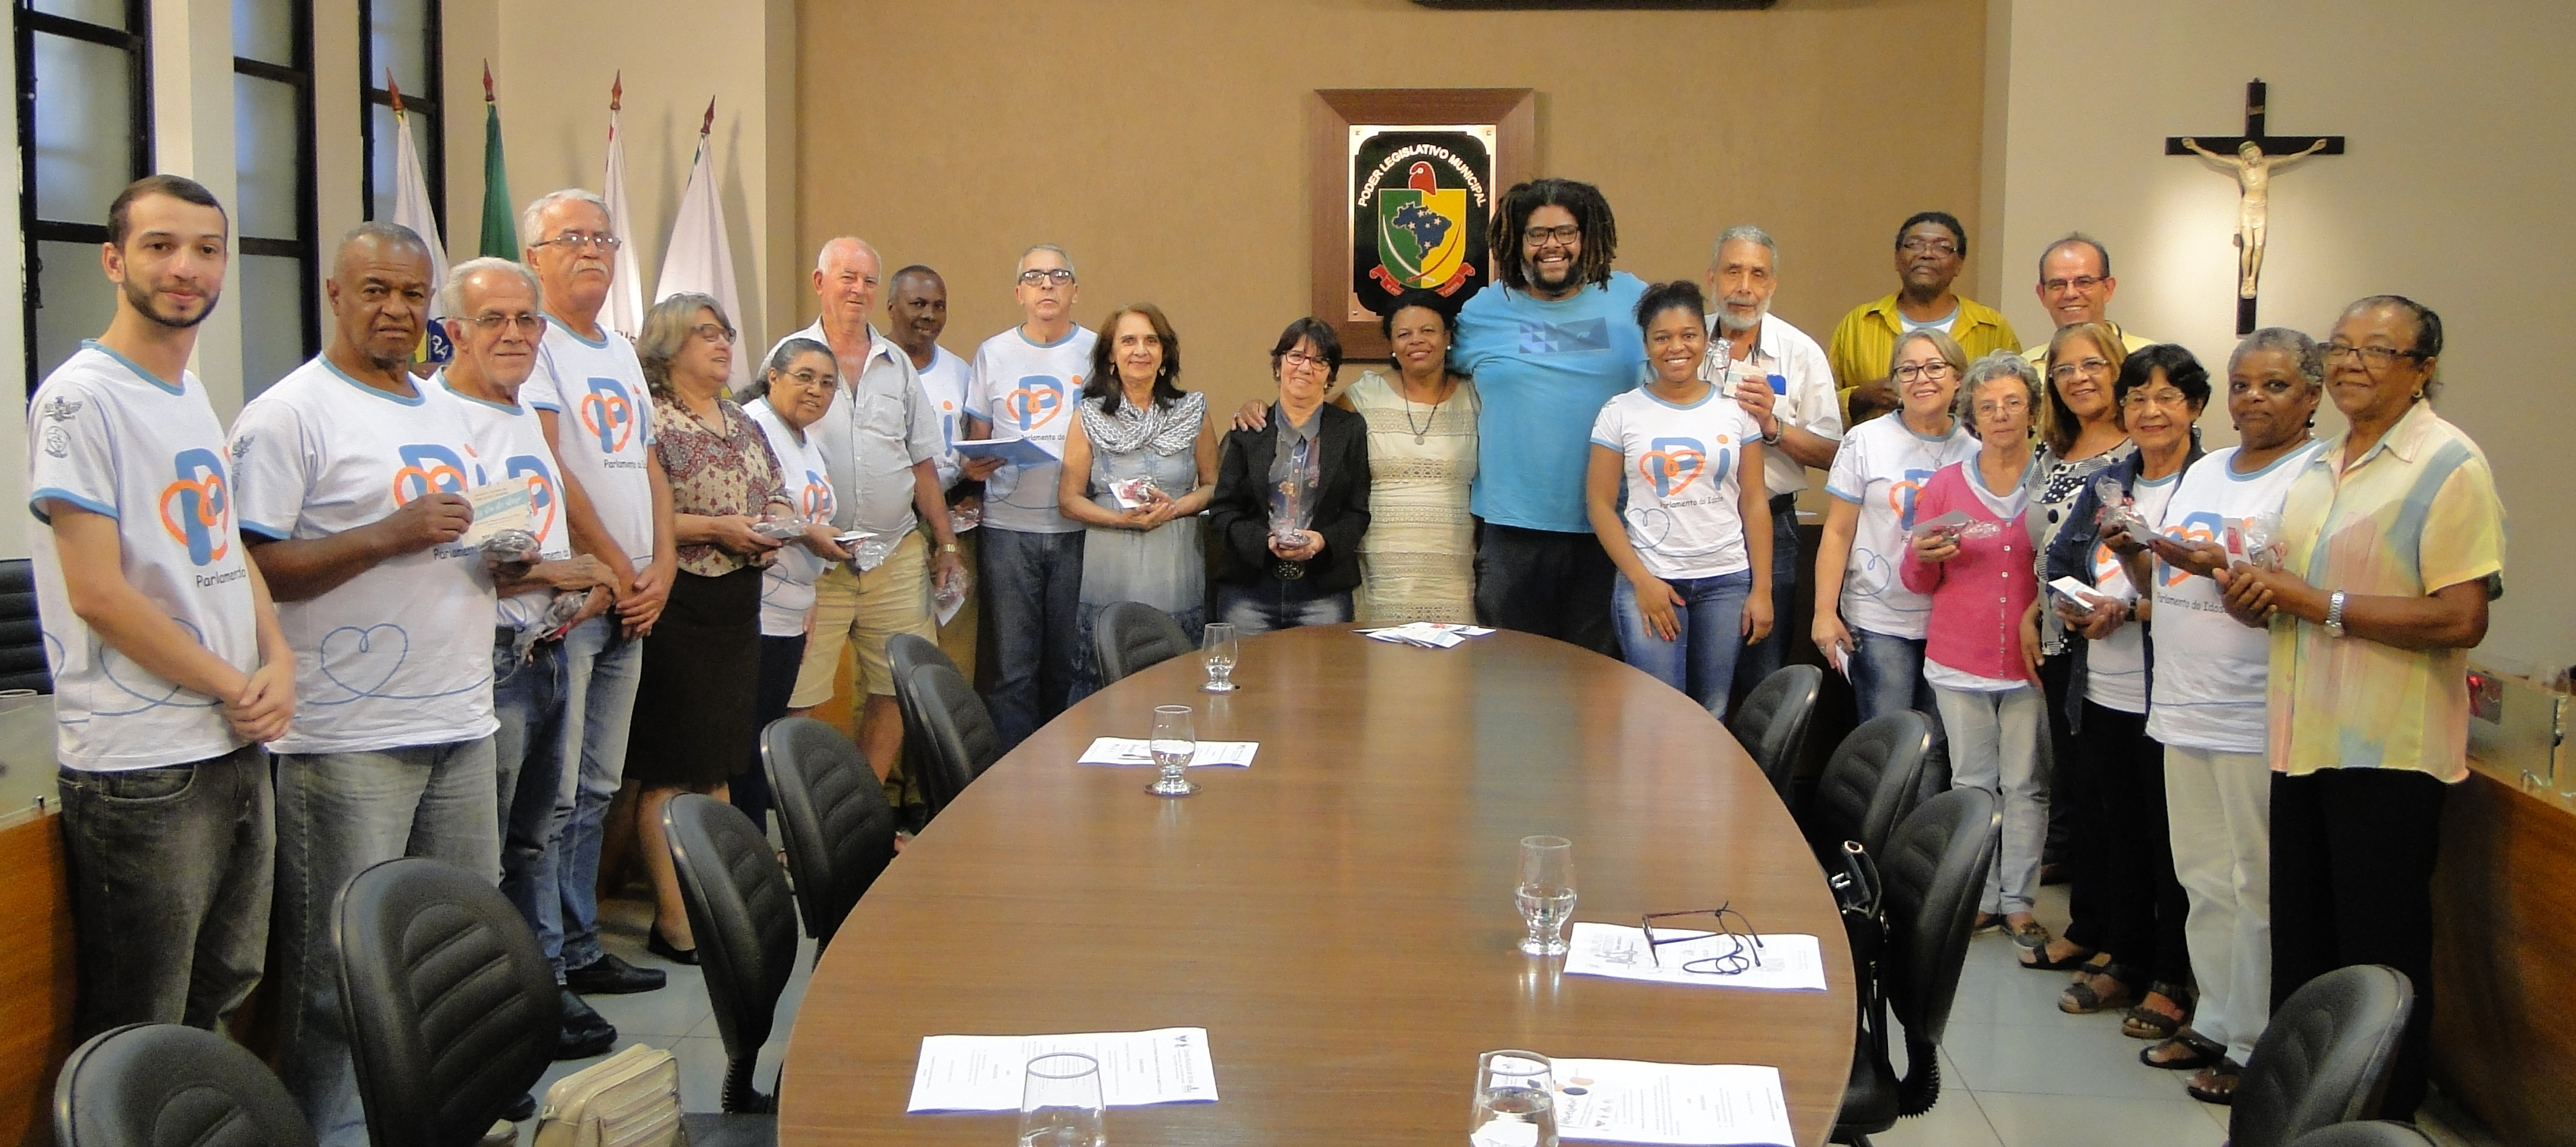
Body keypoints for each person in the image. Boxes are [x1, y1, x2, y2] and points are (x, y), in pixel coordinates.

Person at [231, 222, 500, 1145]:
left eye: (413, 295)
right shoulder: (287, 414)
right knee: (335, 974)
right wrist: (390, 534)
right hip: (347, 735)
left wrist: (507, 553)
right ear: (336, 296)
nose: (396, 310)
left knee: (450, 951)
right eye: (375, 291)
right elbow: (255, 568)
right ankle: (327, 1132)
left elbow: (447, 538)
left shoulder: (442, 407)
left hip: (461, 715)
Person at [2219, 295, 2504, 1121]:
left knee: (2379, 955)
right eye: (2340, 347)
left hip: (2387, 748)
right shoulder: (2317, 464)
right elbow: (2293, 594)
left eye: (2376, 351)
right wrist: (2254, 597)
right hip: (2300, 735)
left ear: (2422, 371)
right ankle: (2300, 1116)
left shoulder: (2450, 465)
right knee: (2304, 949)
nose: (2349, 363)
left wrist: (2316, 604)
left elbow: (2462, 617)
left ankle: (2381, 1118)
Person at [32, 175, 294, 1042]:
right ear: (115, 260)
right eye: (159, 246)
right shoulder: (80, 398)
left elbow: (223, 552)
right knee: (140, 1023)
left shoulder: (188, 390)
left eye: (207, 249)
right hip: (143, 764)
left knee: (224, 984)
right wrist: (233, 683)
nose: (186, 268)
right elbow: (98, 593)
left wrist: (276, 659)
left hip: (231, 739)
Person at [432, 256, 623, 1057]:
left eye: (526, 321)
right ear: (453, 333)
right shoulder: (441, 418)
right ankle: (502, 1016)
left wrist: (588, 582)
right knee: (489, 851)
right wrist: (572, 571)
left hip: (548, 646)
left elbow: (535, 534)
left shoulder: (519, 418)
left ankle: (545, 990)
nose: (514, 335)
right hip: (490, 660)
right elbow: (484, 552)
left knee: (539, 833)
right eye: (494, 321)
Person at [2131, 328, 2326, 1102]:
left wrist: (2226, 570)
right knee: (2202, 875)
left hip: (2255, 704)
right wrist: (2139, 550)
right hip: (2182, 696)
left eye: (2274, 386)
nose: (2253, 398)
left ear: (2311, 396)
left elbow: (2295, 581)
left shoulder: (2315, 474)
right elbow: (2172, 567)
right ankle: (2214, 1015)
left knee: (2256, 881)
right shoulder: (2208, 467)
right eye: (2243, 384)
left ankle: (2256, 1041)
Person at [519, 187, 676, 1001]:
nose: (591, 250)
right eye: (570, 238)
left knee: (599, 786)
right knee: (555, 794)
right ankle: (546, 964)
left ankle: (581, 943)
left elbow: (647, 464)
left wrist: (664, 565)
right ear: (534, 257)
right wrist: (616, 564)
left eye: (602, 238)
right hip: (579, 603)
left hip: (635, 597)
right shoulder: (534, 344)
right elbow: (553, 466)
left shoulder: (617, 348)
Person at [628, 294, 803, 963]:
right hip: (680, 602)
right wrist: (719, 529)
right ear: (669, 347)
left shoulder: (740, 418)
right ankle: (673, 919)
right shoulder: (654, 420)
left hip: (739, 601)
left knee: (723, 761)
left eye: (726, 331)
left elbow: (775, 492)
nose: (724, 343)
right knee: (675, 766)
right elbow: (644, 515)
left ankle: (715, 898)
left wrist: (773, 527)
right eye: (706, 333)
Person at [2043, 344, 2207, 1042]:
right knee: (2114, 829)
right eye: (2138, 397)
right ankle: (2124, 954)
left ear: (2196, 408)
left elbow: (2204, 586)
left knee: (2169, 839)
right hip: (2101, 682)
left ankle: (2173, 976)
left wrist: (2131, 611)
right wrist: (2073, 604)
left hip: (2170, 690)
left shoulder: (2209, 485)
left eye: (2167, 397)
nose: (2150, 411)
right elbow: (2062, 555)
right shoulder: (2112, 479)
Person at [772, 238, 966, 811]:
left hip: (895, 552)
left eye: (867, 281)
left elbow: (923, 461)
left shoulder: (896, 363)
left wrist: (947, 542)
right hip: (815, 561)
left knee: (898, 688)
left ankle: (858, 812)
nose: (857, 290)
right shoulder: (790, 357)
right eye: (847, 277)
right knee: (800, 699)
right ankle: (804, 820)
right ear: (820, 281)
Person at [1449, 178, 1648, 655]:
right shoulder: (1483, 310)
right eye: (1537, 234)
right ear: (1516, 241)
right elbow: (1423, 376)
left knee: (1595, 686)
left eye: (1566, 232)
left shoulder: (1634, 300)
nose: (1552, 246)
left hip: (1608, 527)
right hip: (1512, 528)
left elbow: (1683, 370)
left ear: (1588, 237)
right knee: (1508, 679)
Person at [1901, 352, 2047, 947]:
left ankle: (2019, 900)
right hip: (1959, 658)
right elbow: (1916, 579)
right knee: (1972, 781)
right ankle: (1978, 895)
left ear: (2034, 411)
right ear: (1972, 418)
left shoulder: (2053, 479)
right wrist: (1923, 557)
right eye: (1987, 406)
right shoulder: (1945, 485)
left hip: (2029, 662)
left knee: (2027, 783)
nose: (2001, 415)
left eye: (2013, 403)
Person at [1586, 281, 1773, 718]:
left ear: (1705, 340)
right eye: (1662, 337)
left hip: (1726, 581)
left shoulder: (1735, 410)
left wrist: (1761, 590)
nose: (1677, 347)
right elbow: (1599, 503)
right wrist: (1641, 580)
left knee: (1713, 710)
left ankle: (1702, 791)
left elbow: (1755, 502)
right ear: (1647, 344)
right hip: (1650, 579)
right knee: (1657, 711)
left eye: (1688, 335)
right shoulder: (1620, 412)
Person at [2022, 320, 2136, 974]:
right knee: (2078, 788)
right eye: (2064, 371)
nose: (2079, 379)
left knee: (2115, 797)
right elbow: (2038, 544)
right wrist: (2033, 612)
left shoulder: (2139, 450)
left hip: (2116, 639)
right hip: (2059, 634)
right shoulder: (2051, 450)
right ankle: (2088, 922)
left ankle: (2123, 938)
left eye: (2092, 365)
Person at [1814, 332, 1977, 760]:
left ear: (1958, 378)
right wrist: (1824, 613)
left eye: (1935, 367)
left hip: (1950, 622)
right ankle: (1876, 832)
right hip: (1878, 616)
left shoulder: (1977, 449)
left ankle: (1927, 830)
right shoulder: (1865, 440)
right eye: (1908, 369)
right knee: (1886, 747)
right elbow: (1836, 531)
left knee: (1939, 747)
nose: (1922, 378)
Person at [1698, 226, 1842, 698]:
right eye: (1732, 271)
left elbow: (1833, 454)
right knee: (1696, 675)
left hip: (1773, 528)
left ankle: (1760, 771)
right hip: (1691, 523)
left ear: (1772, 285)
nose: (1743, 287)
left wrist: (1772, 426)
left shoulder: (1801, 353)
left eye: (1757, 274)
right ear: (1711, 278)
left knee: (1762, 673)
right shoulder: (1682, 342)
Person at [966, 244, 1097, 748]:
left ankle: (1065, 779)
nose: (1047, 285)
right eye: (1035, 277)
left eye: (1059, 275)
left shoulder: (1098, 349)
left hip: (1078, 528)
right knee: (1009, 670)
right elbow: (977, 440)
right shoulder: (992, 353)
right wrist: (974, 461)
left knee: (1069, 664)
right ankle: (1011, 787)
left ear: (1074, 291)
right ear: (1018, 291)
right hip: (1006, 529)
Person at [1057, 303, 1216, 690]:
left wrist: (1175, 508)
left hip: (1174, 562)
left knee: (1175, 678)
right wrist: (1120, 519)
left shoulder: (1192, 411)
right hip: (1111, 564)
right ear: (1111, 355)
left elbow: (1214, 486)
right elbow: (1068, 498)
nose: (1140, 350)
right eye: (1128, 341)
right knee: (1108, 678)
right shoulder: (1089, 415)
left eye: (1151, 340)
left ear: (1164, 353)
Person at [740, 339, 848, 834]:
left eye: (827, 382)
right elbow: (751, 515)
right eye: (804, 376)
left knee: (766, 733)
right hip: (754, 608)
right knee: (744, 744)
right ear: (773, 377)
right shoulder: (753, 427)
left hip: (792, 607)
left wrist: (813, 595)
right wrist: (810, 534)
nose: (817, 390)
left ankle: (763, 848)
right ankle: (747, 854)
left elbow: (813, 515)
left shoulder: (803, 438)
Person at [1208, 319, 1371, 633]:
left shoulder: (1349, 430)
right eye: (1295, 356)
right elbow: (1222, 511)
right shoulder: (1250, 429)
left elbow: (1357, 512)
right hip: (1249, 590)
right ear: (1279, 365)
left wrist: (1322, 542)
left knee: (1321, 681)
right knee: (1246, 679)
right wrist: (1263, 542)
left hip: (1323, 592)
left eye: (1319, 360)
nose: (1305, 368)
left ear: (1330, 374)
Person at [886, 264, 993, 684]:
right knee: (892, 660)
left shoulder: (959, 372)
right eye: (918, 304)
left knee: (954, 652)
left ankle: (948, 748)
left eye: (939, 306)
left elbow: (968, 443)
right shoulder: (873, 366)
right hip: (895, 530)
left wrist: (974, 479)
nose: (929, 315)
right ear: (892, 306)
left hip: (954, 525)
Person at [1827, 212, 2022, 425]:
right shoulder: (1858, 324)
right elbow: (1822, 409)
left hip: (1970, 455)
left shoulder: (1992, 328)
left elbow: (2019, 401)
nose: (1927, 254)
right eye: (1914, 245)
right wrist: (1860, 398)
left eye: (1942, 247)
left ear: (1959, 264)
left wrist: (1970, 399)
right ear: (1897, 258)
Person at [2022, 234, 2156, 366]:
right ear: (2042, 295)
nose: (2070, 294)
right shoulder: (2025, 369)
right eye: (2057, 285)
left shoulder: (2151, 360)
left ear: (2108, 289)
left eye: (2084, 282)